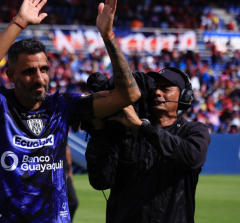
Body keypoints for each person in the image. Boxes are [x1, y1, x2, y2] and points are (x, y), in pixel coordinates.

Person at [0, 0, 141, 222]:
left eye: (44, 69)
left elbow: (128, 95)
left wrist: (108, 36)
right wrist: (19, 22)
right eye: (28, 72)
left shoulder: (63, 105)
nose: (39, 78)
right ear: (10, 75)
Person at [85, 67, 211, 223]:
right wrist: (99, 131)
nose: (157, 93)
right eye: (155, 88)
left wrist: (142, 127)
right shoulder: (126, 130)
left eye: (166, 89)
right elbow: (100, 181)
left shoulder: (194, 130)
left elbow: (192, 156)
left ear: (184, 96)